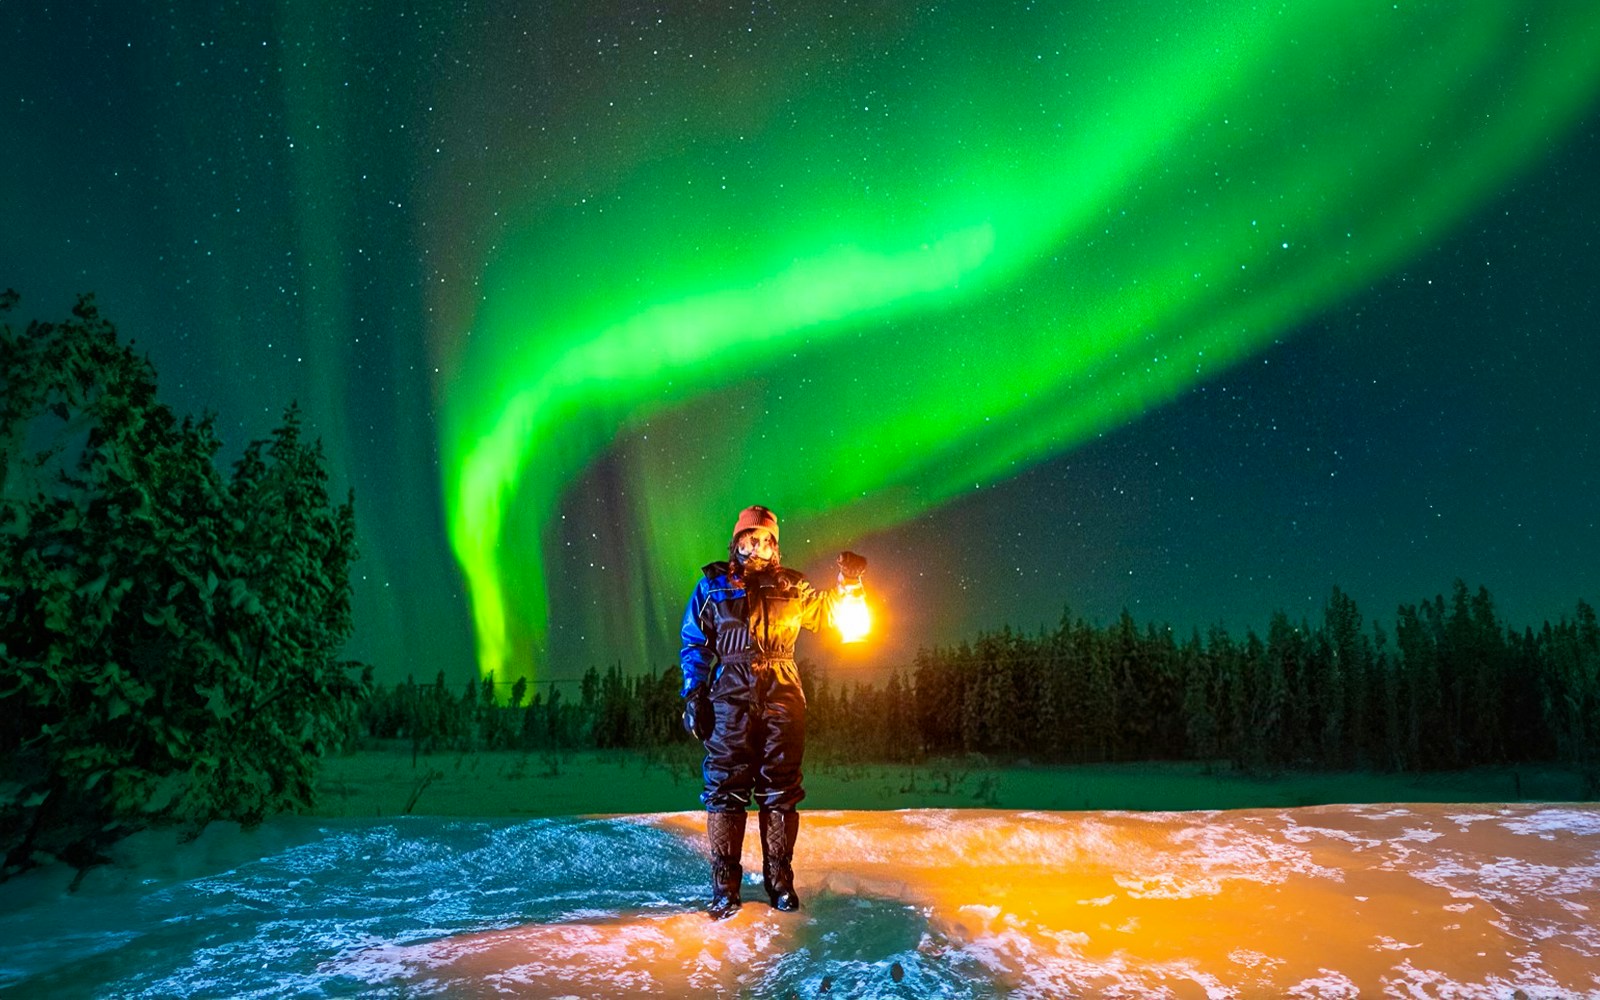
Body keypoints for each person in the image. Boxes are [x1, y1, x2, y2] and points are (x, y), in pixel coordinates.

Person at [679, 505, 868, 919]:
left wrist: (850, 584)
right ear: (736, 542)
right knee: (725, 789)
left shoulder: (792, 587)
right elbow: (695, 645)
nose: (758, 546)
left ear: (775, 545)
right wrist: (694, 696)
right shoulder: (712, 588)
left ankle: (780, 883)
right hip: (730, 695)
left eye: (766, 539)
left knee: (780, 790)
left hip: (782, 693)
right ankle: (724, 888)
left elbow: (838, 619)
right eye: (750, 538)